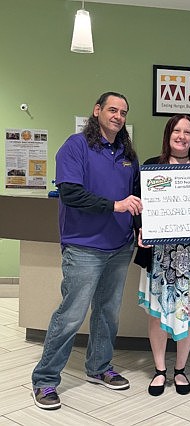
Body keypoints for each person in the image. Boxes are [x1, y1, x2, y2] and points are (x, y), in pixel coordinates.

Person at [31, 92, 143, 410]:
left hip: (120, 247)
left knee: (107, 313)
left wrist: (139, 228)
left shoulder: (127, 153)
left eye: (123, 111)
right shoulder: (75, 146)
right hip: (83, 247)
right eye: (112, 109)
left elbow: (136, 196)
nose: (118, 116)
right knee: (71, 315)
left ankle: (98, 368)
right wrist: (115, 205)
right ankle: (45, 381)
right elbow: (70, 193)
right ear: (96, 111)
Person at [134, 115, 190, 396]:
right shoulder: (150, 167)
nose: (182, 136)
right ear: (168, 134)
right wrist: (140, 230)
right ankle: (159, 370)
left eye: (188, 132)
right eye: (177, 131)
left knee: (188, 313)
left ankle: (180, 369)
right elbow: (138, 206)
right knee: (157, 313)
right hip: (159, 257)